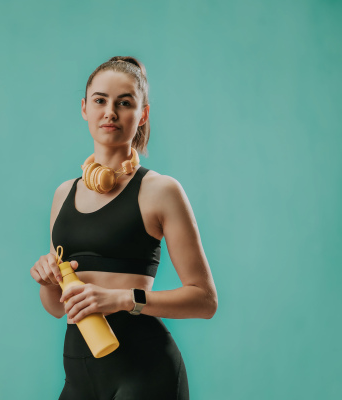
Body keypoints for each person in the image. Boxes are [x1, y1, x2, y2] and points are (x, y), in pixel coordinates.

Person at [30, 56, 218, 399]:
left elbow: (205, 300)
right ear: (84, 108)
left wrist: (120, 299)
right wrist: (47, 282)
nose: (110, 112)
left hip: (144, 373)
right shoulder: (63, 194)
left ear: (142, 114)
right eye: (100, 100)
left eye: (125, 102)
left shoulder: (160, 191)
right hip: (80, 374)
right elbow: (58, 307)